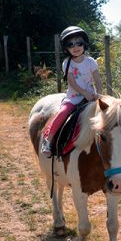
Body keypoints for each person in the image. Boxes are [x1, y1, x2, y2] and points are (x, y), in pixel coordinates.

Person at [41, 26, 102, 157]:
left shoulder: (91, 62)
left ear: (84, 44)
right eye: (70, 44)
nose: (75, 47)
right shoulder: (67, 63)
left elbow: (98, 79)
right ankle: (48, 140)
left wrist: (98, 93)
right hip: (74, 97)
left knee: (109, 113)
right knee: (63, 113)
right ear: (66, 48)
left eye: (79, 43)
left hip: (91, 96)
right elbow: (71, 81)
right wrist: (83, 92)